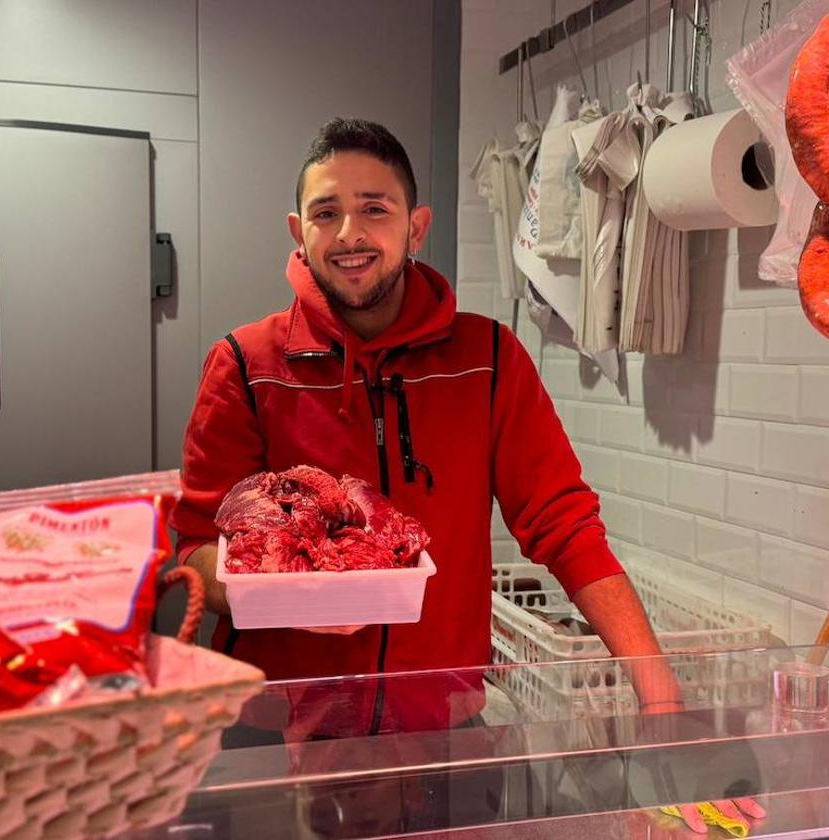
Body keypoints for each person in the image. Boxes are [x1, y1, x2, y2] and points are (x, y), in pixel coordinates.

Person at [168, 117, 683, 734]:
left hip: (439, 720)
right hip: (277, 726)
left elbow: (565, 523)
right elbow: (197, 543)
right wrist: (283, 594)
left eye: (375, 209)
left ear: (416, 227)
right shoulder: (247, 365)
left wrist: (659, 692)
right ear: (297, 232)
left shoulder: (488, 359)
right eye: (325, 212)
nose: (349, 234)